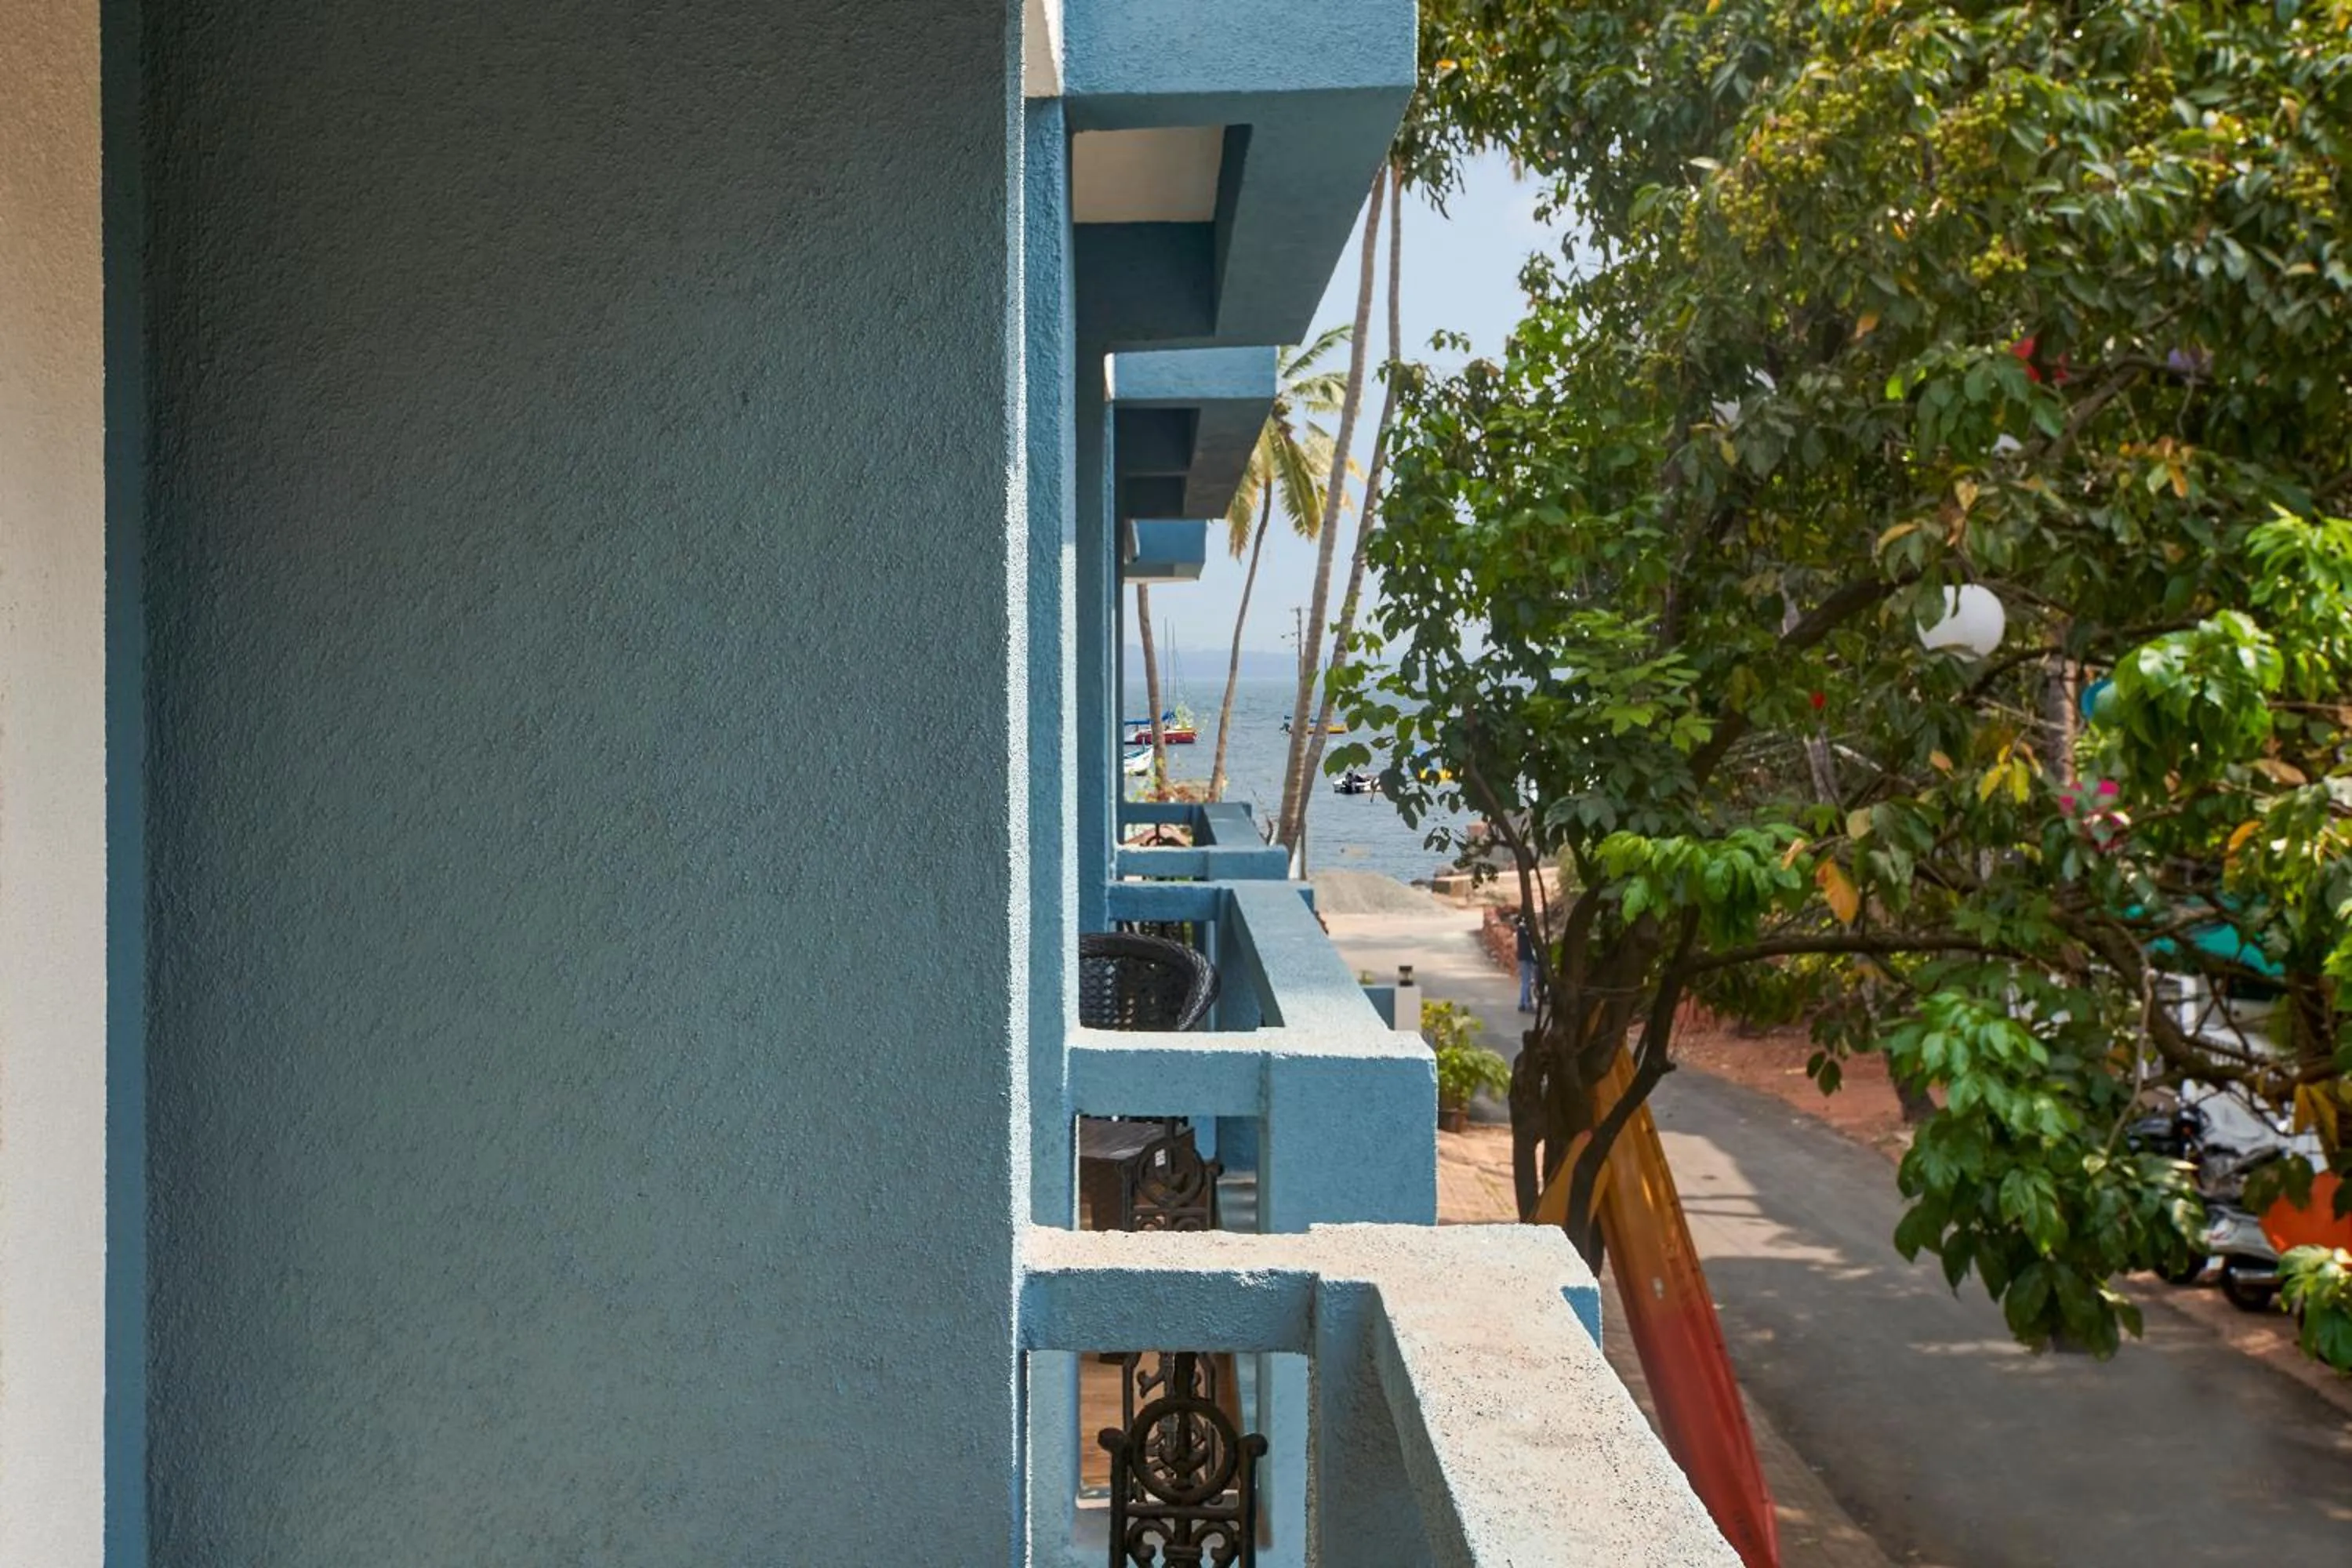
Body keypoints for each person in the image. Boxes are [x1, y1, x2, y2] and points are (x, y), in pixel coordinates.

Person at [1515, 913, 1539, 1013]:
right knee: (1527, 982)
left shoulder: (1521, 930)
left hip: (1523, 957)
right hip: (1526, 958)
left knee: (1525, 981)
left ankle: (1522, 1003)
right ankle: (1527, 1003)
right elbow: (1529, 947)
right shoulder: (1523, 930)